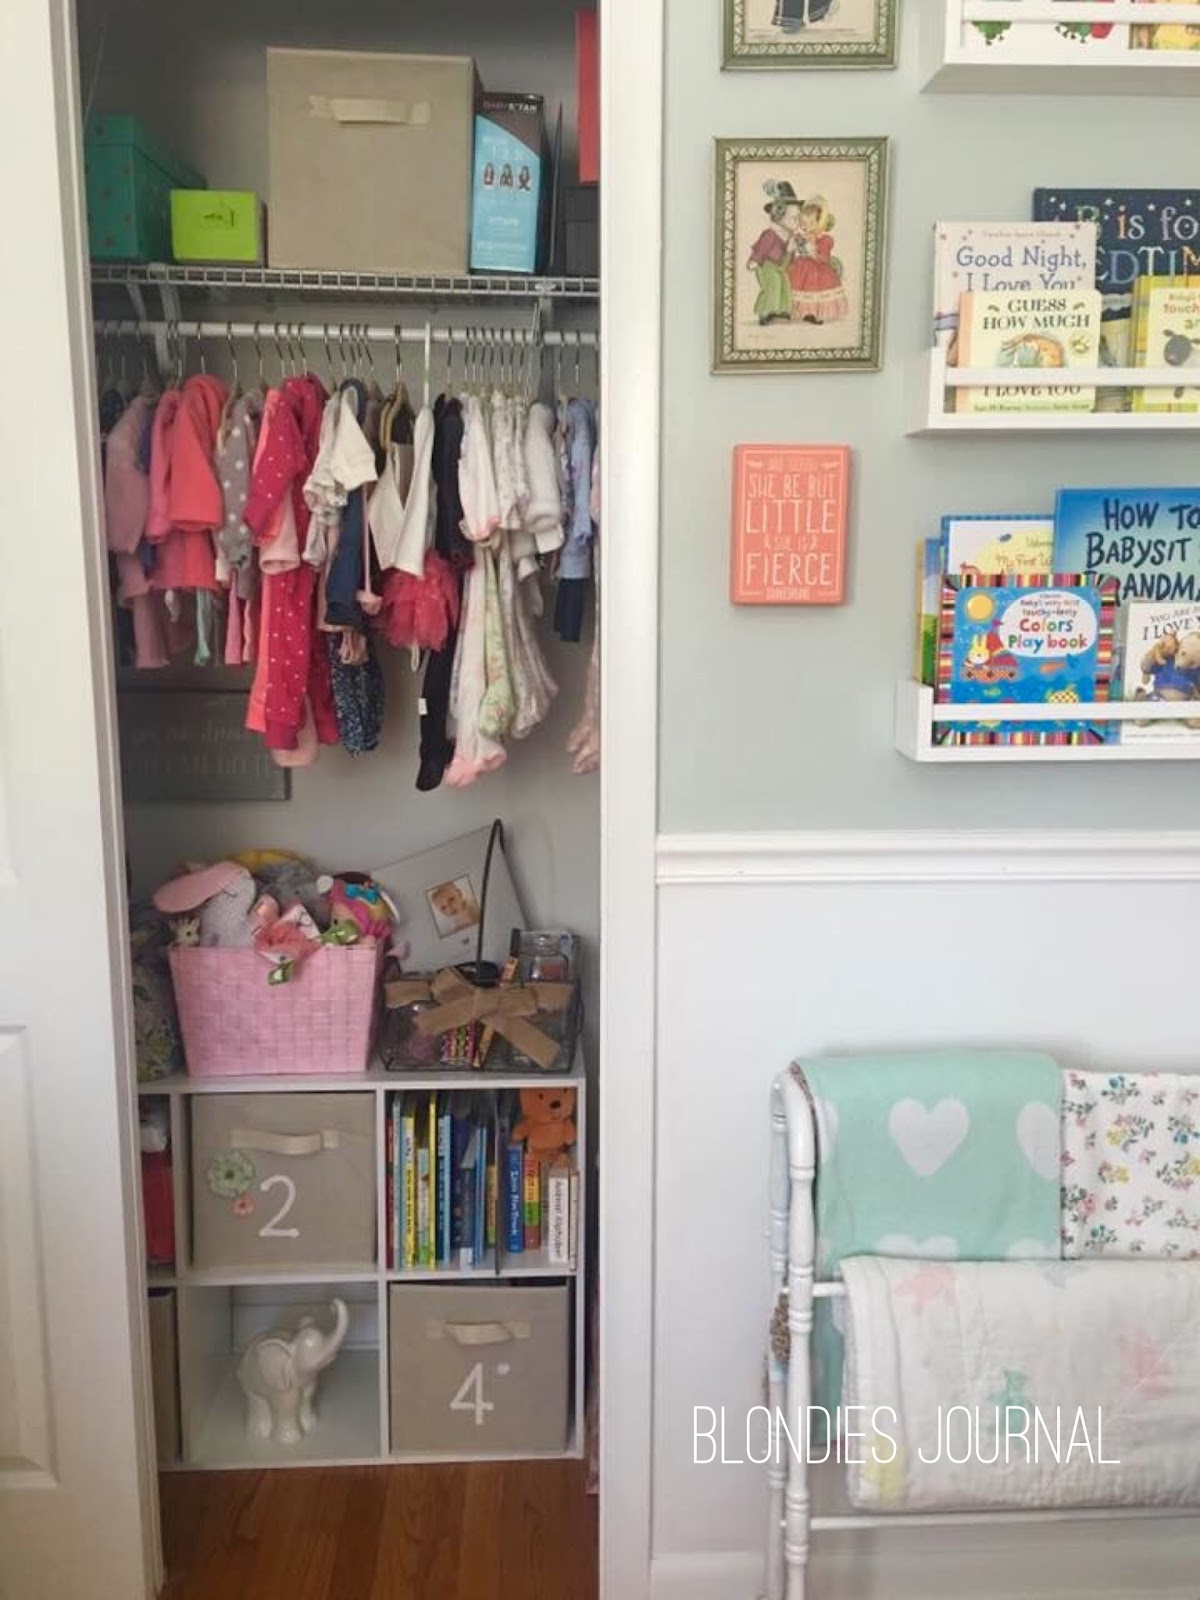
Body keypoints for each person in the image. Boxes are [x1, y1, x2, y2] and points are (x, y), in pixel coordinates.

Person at [747, 180, 802, 326]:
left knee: (785, 285)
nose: (797, 222)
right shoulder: (771, 234)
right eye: (794, 218)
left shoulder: (790, 236)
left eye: (798, 218)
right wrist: (755, 260)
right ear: (779, 215)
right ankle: (765, 311)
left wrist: (793, 251)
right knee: (773, 286)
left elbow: (790, 257)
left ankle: (781, 309)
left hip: (780, 266)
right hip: (767, 266)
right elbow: (761, 248)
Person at [787, 197, 849, 325]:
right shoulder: (800, 235)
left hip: (818, 270)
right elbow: (791, 249)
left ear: (819, 223)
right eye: (803, 223)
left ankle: (815, 313)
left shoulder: (824, 239)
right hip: (801, 267)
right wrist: (794, 242)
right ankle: (802, 312)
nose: (806, 227)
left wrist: (811, 250)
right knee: (798, 287)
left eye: (811, 223)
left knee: (814, 290)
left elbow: (824, 258)